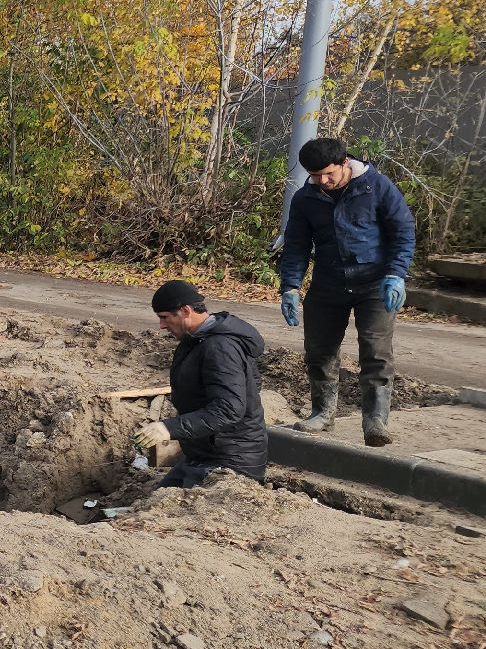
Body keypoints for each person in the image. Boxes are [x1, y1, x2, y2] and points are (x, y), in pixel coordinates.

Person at [277, 137, 416, 446]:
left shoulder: (376, 187)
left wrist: (396, 274)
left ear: (343, 164)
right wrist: (290, 286)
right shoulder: (305, 199)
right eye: (314, 176)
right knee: (319, 350)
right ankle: (323, 413)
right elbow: (297, 245)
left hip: (375, 285)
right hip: (329, 283)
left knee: (376, 351)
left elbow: (403, 232)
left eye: (328, 174)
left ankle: (376, 421)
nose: (322, 181)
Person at [134, 280, 268, 489]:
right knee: (156, 499)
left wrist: (169, 428)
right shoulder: (197, 339)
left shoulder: (220, 347)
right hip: (201, 454)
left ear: (186, 311)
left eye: (165, 317)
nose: (161, 325)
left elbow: (229, 409)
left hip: (231, 461)